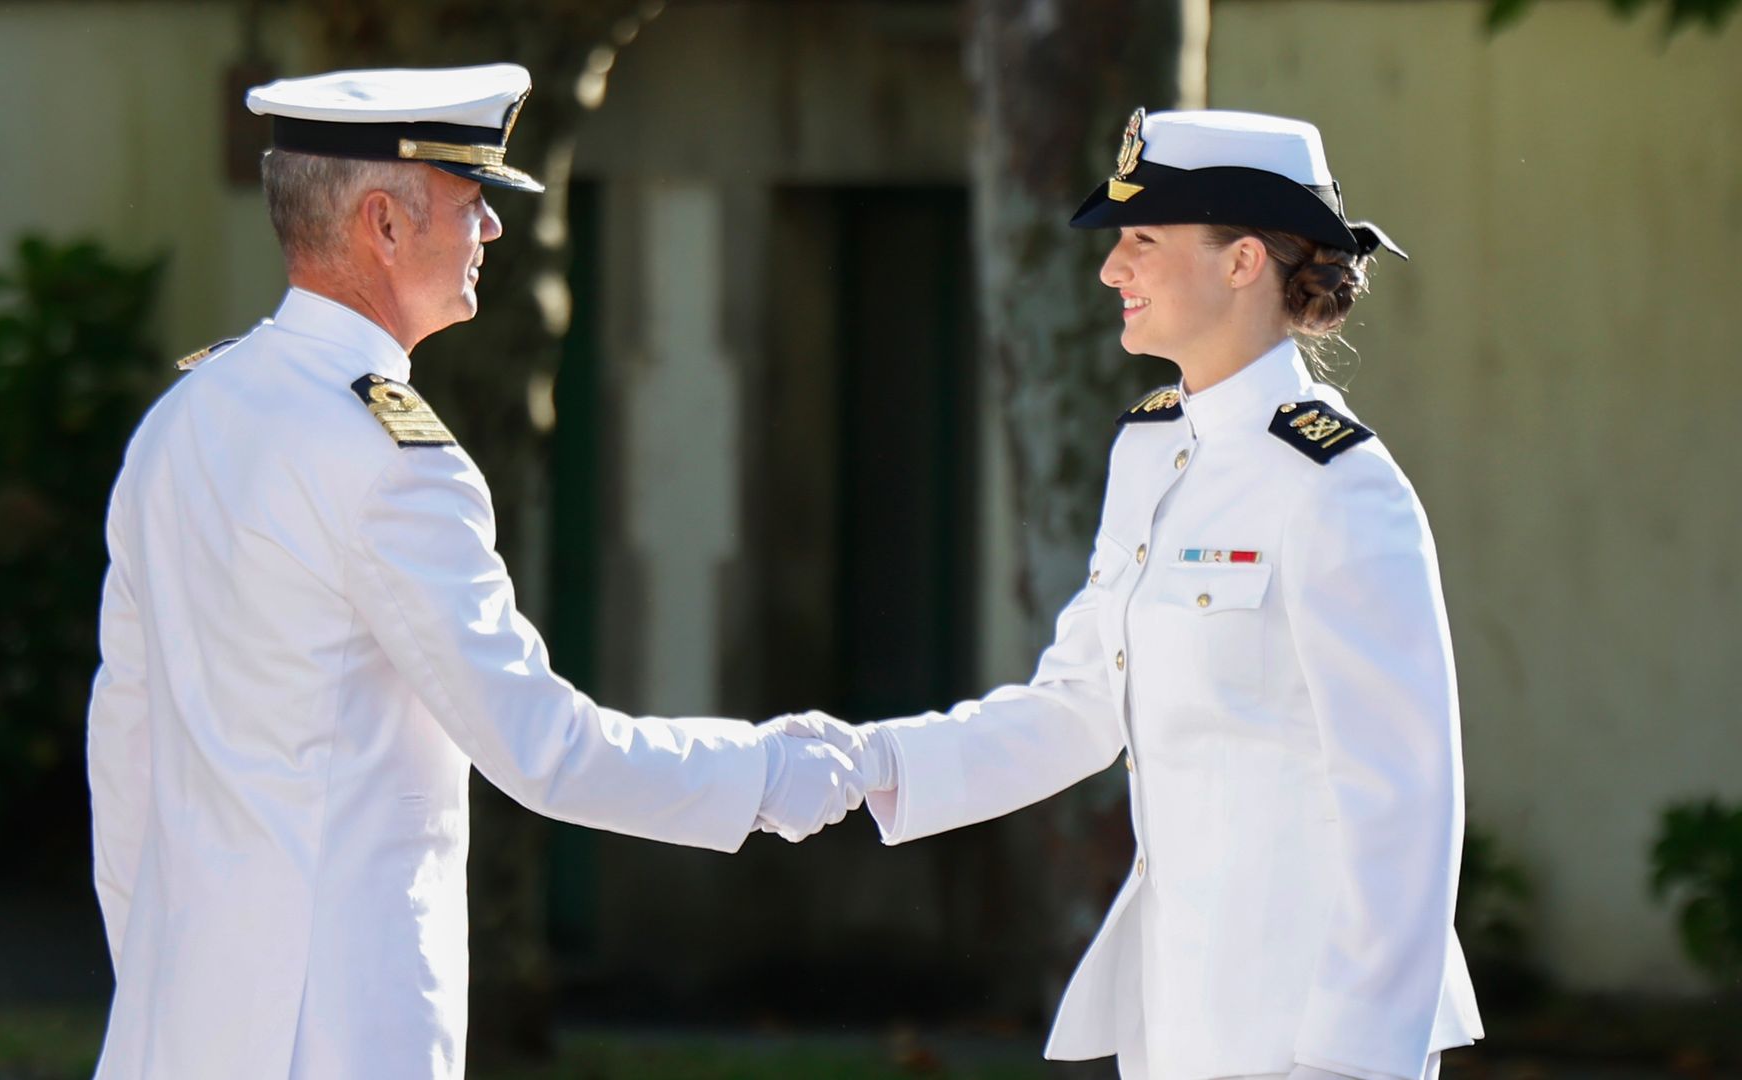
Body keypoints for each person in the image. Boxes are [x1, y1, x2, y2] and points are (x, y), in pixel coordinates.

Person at [84, 64, 862, 1080]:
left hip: (175, 1027)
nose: (492, 229)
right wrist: (767, 775)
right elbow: (542, 748)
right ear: (384, 226)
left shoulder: (182, 418)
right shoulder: (393, 461)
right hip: (340, 1035)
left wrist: (166, 970)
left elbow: (124, 746)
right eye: (470, 199)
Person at [783, 109, 1483, 1080]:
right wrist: (866, 765)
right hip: (1176, 1011)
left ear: (1242, 262)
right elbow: (1078, 705)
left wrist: (1355, 1059)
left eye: (1143, 240)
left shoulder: (1337, 483)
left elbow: (1406, 799)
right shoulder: (1151, 450)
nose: (1113, 270)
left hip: (1308, 1031)